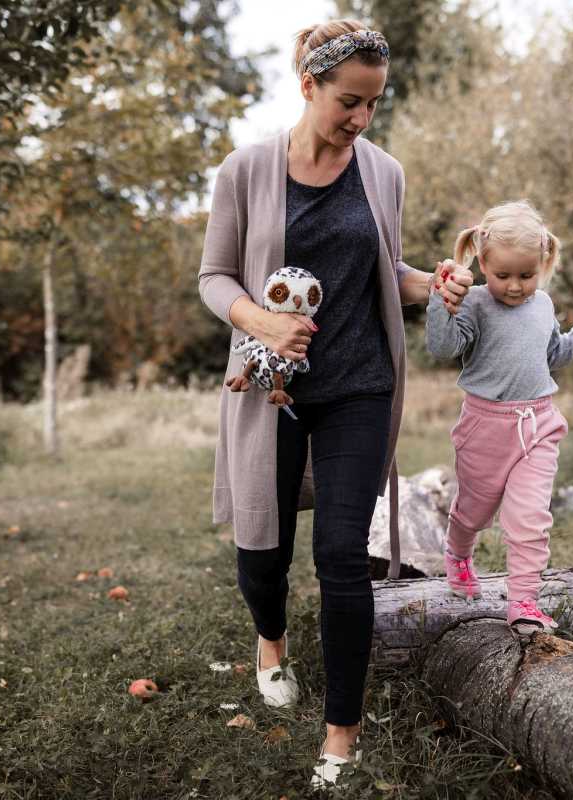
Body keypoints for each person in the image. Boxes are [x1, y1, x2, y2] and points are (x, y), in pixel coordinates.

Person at [197, 19, 472, 788]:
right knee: (264, 554)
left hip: (358, 386)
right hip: (269, 391)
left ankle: (340, 737)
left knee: (343, 556)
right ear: (308, 84)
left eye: (373, 104)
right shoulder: (246, 170)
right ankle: (272, 641)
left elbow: (389, 270)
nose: (360, 119)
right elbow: (215, 278)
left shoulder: (382, 171)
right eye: (349, 101)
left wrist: (434, 285)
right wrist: (263, 321)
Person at [426, 200, 573, 630]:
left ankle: (523, 602)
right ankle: (457, 552)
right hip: (485, 427)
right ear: (483, 261)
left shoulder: (543, 304)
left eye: (526, 275)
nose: (514, 286)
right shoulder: (472, 303)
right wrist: (441, 301)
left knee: (530, 519)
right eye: (503, 275)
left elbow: (553, 354)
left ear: (543, 264)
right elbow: (442, 348)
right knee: (473, 512)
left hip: (539, 424)